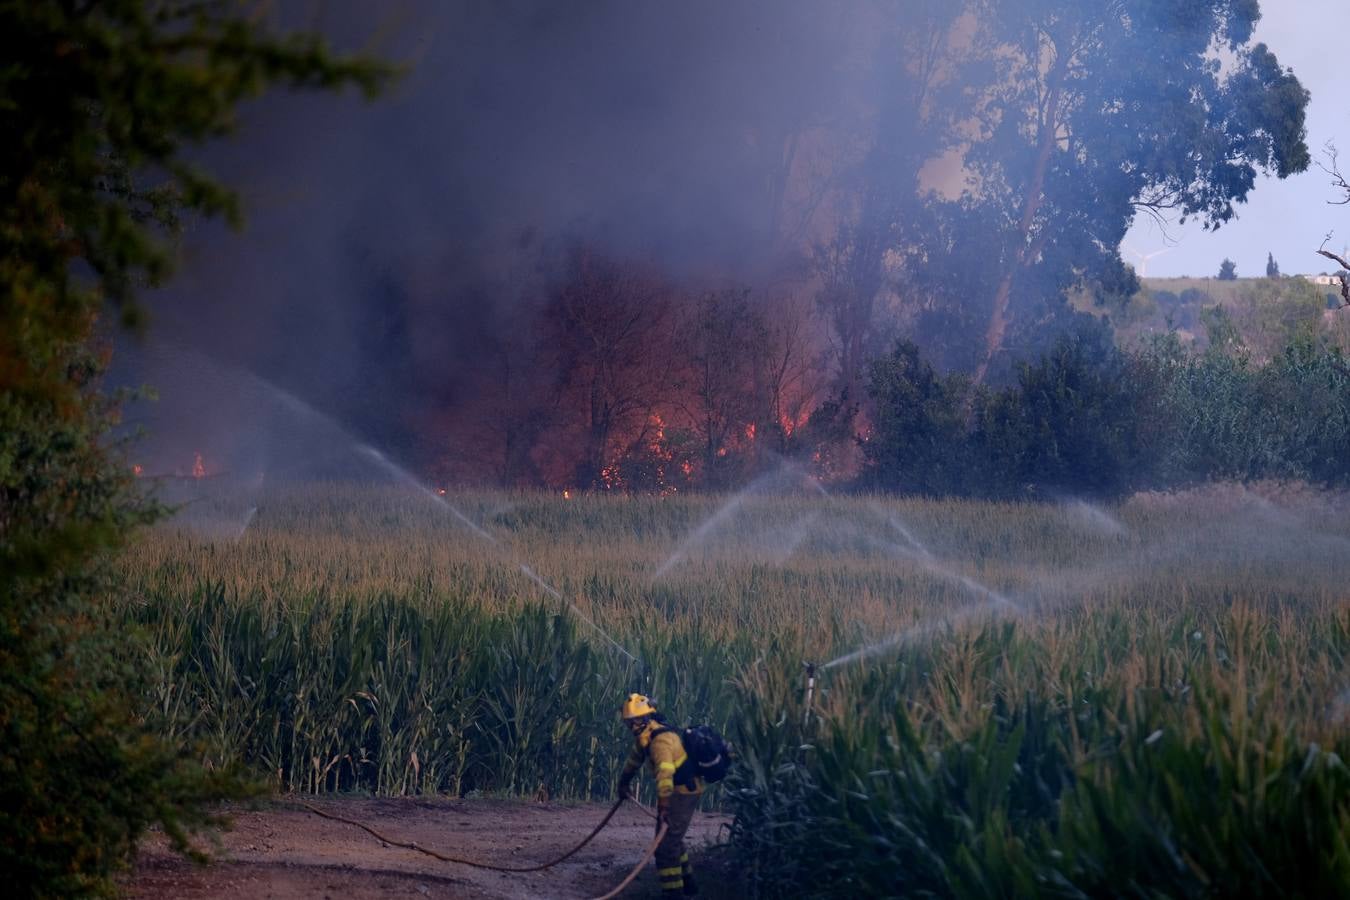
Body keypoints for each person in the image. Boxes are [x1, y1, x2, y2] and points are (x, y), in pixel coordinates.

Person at [616, 693, 700, 896]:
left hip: (683, 793)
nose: (631, 727)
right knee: (672, 840)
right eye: (629, 723)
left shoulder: (661, 741)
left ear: (645, 719)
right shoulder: (645, 737)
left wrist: (663, 806)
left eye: (634, 722)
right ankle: (689, 887)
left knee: (664, 849)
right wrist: (623, 783)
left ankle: (674, 894)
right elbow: (633, 762)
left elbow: (665, 775)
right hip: (676, 791)